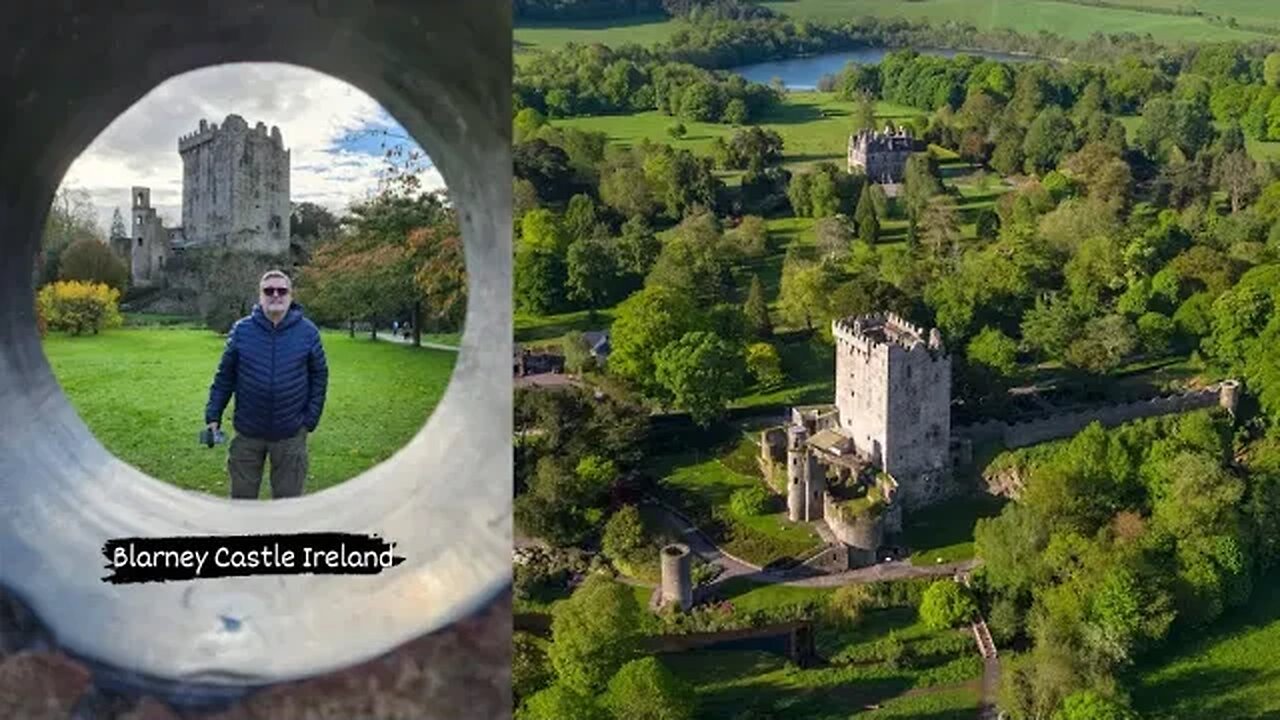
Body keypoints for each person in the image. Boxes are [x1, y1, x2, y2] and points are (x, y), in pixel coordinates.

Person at [205, 270, 329, 499]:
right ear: (260, 296)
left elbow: (319, 377)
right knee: (242, 504)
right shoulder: (242, 331)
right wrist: (213, 416)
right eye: (268, 290)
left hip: (291, 435)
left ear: (291, 296)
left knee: (287, 506)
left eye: (282, 290)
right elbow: (225, 377)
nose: (275, 295)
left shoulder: (308, 332)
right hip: (247, 434)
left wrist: (309, 420)